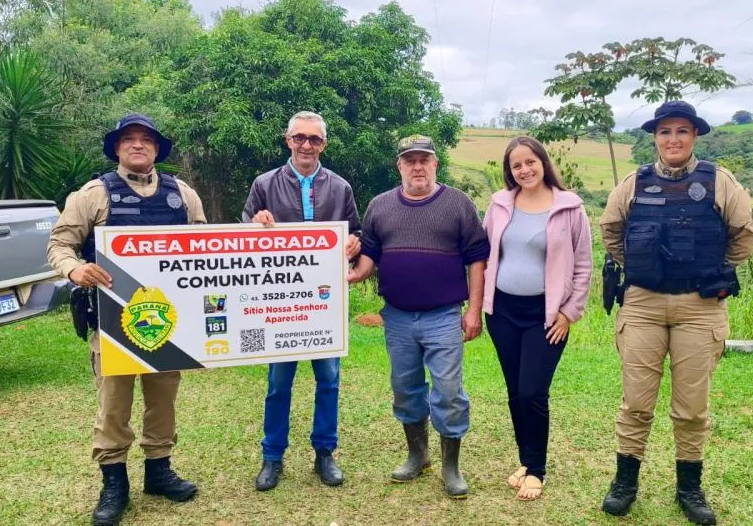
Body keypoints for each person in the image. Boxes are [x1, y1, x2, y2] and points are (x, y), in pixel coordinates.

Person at [598, 101, 753, 525]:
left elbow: (744, 233)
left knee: (692, 408)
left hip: (700, 307)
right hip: (644, 303)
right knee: (636, 403)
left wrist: (713, 268)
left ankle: (689, 488)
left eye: (682, 131)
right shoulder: (634, 183)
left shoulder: (720, 182)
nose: (673, 139)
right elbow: (611, 230)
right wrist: (637, 264)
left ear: (695, 136)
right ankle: (625, 483)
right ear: (654, 137)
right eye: (665, 131)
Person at [47, 113, 207, 526]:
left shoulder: (184, 195)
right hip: (111, 320)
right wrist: (74, 270)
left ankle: (159, 471)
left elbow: (205, 247)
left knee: (163, 399)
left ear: (157, 149)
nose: (138, 145)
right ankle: (113, 481)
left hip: (168, 322)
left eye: (146, 140)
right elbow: (60, 244)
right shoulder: (93, 195)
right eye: (129, 139)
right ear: (117, 148)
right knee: (114, 404)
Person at [347, 135, 489, 499]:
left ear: (435, 163)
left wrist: (474, 310)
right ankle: (417, 454)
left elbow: (477, 258)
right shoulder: (380, 206)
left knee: (448, 390)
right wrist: (348, 273)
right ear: (399, 166)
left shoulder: (458, 204)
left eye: (424, 159)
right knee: (404, 386)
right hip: (396, 316)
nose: (417, 166)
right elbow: (369, 259)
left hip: (444, 315)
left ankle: (450, 465)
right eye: (409, 160)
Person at [241, 110, 362, 492]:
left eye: (315, 139)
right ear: (287, 140)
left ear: (324, 144)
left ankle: (325, 453)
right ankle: (272, 456)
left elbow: (356, 232)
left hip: (325, 305)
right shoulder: (264, 184)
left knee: (328, 381)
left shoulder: (340, 187)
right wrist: (253, 225)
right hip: (282, 305)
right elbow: (242, 233)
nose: (307, 145)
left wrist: (355, 244)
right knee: (279, 384)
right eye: (300, 138)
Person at [481, 136, 593, 501]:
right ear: (509, 171)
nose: (524, 169)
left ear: (543, 162)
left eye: (530, 162)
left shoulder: (570, 207)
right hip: (503, 313)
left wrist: (568, 312)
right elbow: (483, 254)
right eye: (516, 165)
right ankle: (526, 462)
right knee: (515, 393)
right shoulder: (499, 204)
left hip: (546, 316)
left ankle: (538, 470)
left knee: (532, 391)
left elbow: (583, 265)